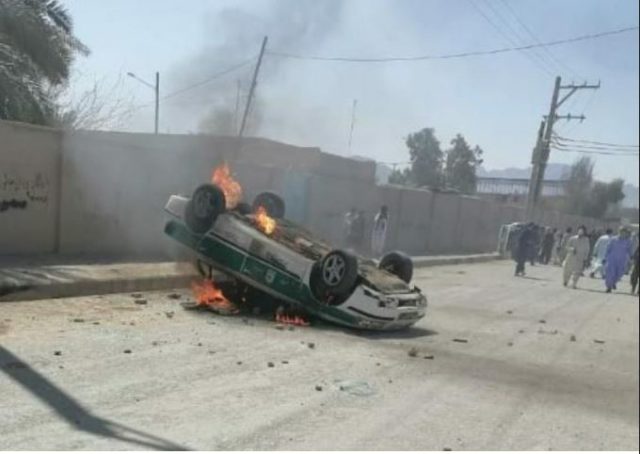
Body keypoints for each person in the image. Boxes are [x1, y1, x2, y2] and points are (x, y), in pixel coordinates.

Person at [604, 227, 634, 293]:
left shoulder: (628, 241)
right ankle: (609, 287)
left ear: (626, 233)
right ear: (619, 232)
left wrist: (631, 257)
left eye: (624, 232)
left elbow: (630, 250)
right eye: (621, 232)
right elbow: (608, 248)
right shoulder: (613, 239)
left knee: (620, 273)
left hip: (622, 260)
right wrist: (605, 257)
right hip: (612, 259)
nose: (623, 234)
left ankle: (613, 282)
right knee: (610, 273)